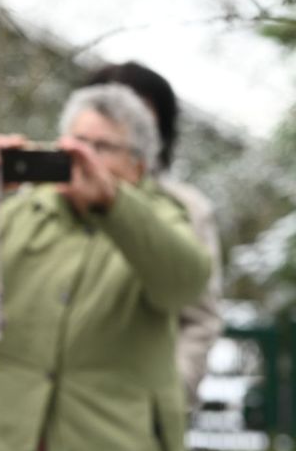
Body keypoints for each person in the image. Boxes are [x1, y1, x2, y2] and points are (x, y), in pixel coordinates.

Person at [0, 84, 208, 451]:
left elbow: (185, 282)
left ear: (139, 163)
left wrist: (112, 203)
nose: (83, 157)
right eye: (75, 143)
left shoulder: (162, 215)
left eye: (102, 146)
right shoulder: (17, 215)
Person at [86, 62, 223, 408]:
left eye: (140, 117)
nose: (123, 128)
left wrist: (169, 398)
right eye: (110, 113)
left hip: (138, 420)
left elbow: (200, 318)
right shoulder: (40, 201)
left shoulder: (185, 208)